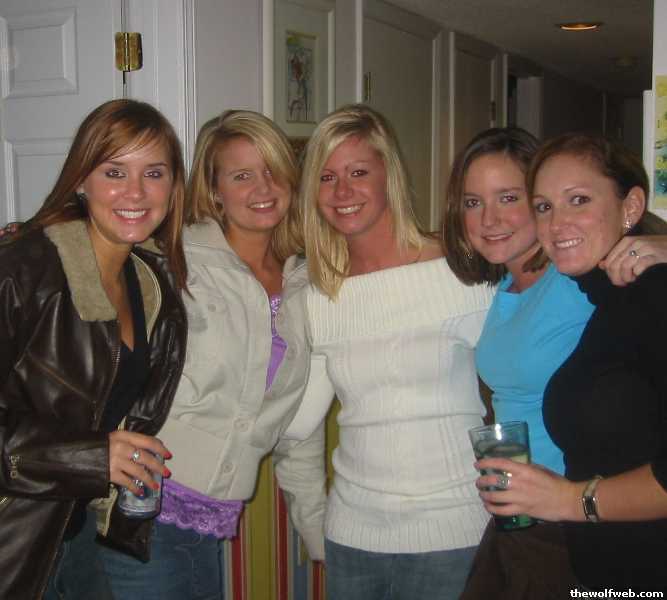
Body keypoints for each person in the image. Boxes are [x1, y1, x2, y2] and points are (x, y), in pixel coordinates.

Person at [99, 109, 326, 600]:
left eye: (273, 171)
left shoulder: (305, 282)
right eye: (242, 175)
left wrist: (318, 535)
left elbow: (299, 424)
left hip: (212, 520)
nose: (263, 188)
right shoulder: (171, 259)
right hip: (141, 509)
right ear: (214, 189)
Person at [442, 127, 667, 598]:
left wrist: (570, 500)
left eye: (578, 200)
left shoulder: (642, 288)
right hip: (581, 553)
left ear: (630, 206)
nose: (558, 222)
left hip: (609, 550)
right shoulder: (594, 289)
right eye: (545, 206)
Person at [290, 104, 494, 600]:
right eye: (327, 177)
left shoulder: (462, 270)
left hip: (455, 535)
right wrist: (314, 525)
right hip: (352, 539)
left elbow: (520, 388)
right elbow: (298, 427)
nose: (342, 191)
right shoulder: (318, 293)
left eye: (358, 172)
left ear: (389, 175)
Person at [0, 99, 188, 600]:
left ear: (173, 186)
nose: (136, 192)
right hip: (12, 542)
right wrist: (90, 457)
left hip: (72, 534)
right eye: (114, 172)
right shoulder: (22, 272)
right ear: (80, 180)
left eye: (154, 173)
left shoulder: (150, 284)